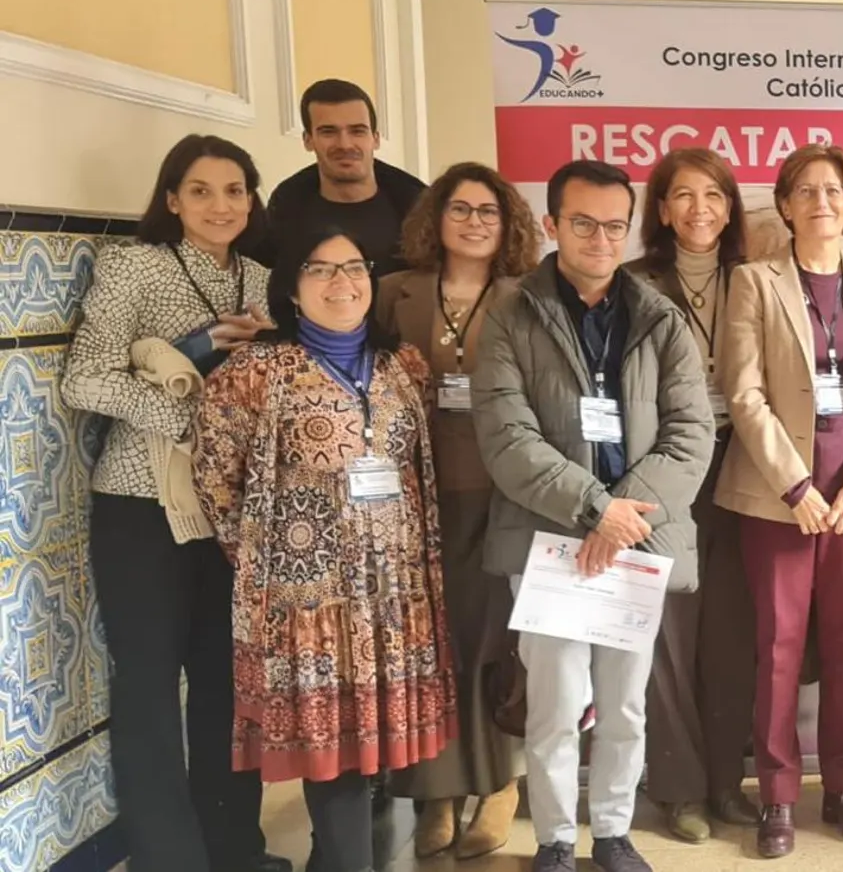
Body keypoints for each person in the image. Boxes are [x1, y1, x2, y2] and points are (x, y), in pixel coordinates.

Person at [473, 160, 715, 872]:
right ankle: (552, 839)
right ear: (552, 224)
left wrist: (623, 517)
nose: (601, 238)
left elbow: (692, 433)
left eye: (615, 225)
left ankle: (612, 832)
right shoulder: (509, 314)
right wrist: (594, 509)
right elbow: (506, 437)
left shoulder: (661, 316)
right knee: (555, 705)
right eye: (584, 223)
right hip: (551, 544)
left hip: (633, 543)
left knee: (626, 703)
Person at [193, 225, 459, 872]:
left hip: (393, 591)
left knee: (372, 744)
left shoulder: (404, 365)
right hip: (306, 599)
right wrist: (266, 556)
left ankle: (333, 860)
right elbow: (213, 470)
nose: (342, 282)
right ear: (290, 286)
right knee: (332, 747)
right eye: (320, 269)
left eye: (353, 267)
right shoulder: (255, 372)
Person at [61, 135, 284, 872]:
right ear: (171, 199)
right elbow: (85, 379)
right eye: (200, 190)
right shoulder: (136, 265)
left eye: (234, 190)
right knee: (152, 683)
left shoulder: (261, 277)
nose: (220, 205)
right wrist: (187, 400)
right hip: (141, 504)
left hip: (228, 507)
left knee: (226, 680)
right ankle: (170, 857)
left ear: (251, 200)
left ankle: (234, 849)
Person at [714, 144, 843, 858]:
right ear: (786, 204)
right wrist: (795, 484)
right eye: (806, 190)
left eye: (834, 189)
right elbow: (744, 390)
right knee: (778, 648)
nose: (822, 200)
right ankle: (778, 795)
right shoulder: (754, 281)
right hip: (778, 499)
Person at [377, 164, 540, 859]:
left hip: (503, 491)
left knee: (492, 639)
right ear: (434, 218)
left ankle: (501, 782)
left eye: (489, 211)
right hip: (413, 495)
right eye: (461, 208)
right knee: (427, 644)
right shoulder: (391, 292)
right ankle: (436, 793)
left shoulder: (527, 296)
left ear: (507, 225)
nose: (475, 221)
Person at [625, 148, 762, 841]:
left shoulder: (755, 279)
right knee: (669, 637)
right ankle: (678, 788)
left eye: (714, 194)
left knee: (733, 636)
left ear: (731, 207)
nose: (699, 208)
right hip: (666, 472)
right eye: (683, 195)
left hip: (744, 469)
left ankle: (726, 784)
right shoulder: (632, 283)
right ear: (661, 208)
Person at [262, 79, 427, 274]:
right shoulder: (287, 206)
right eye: (328, 132)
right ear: (308, 140)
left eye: (357, 131)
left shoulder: (418, 204)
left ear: (375, 139)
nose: (345, 144)